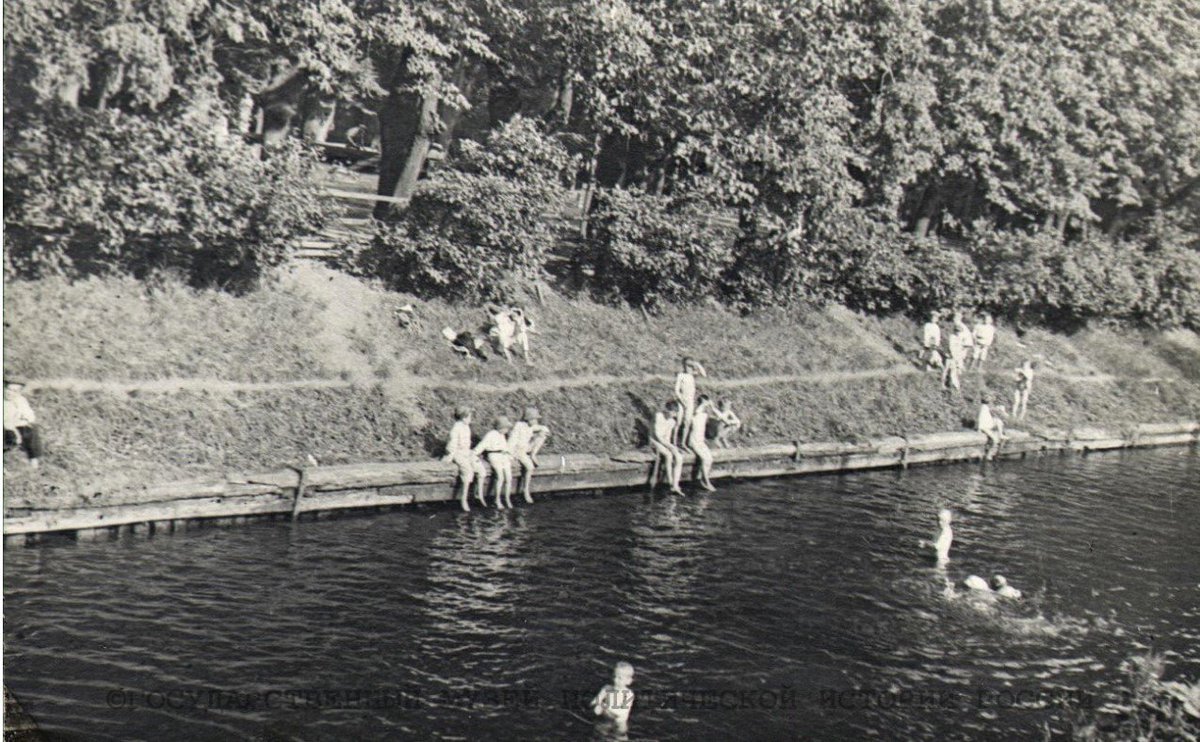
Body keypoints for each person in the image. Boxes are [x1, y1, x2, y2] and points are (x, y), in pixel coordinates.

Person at [441, 406, 486, 511]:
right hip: (458, 452)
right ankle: (463, 499)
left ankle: (478, 494)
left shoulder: (467, 427)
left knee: (481, 470)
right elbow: (452, 445)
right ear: (463, 417)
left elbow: (467, 444)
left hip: (466, 452)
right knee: (468, 471)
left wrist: (471, 453)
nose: (470, 419)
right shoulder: (456, 428)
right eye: (469, 417)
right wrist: (449, 456)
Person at [509, 406, 551, 504]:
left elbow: (544, 428)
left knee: (542, 434)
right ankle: (525, 490)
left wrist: (542, 432)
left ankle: (533, 454)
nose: (536, 421)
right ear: (529, 419)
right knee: (530, 467)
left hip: (526, 448)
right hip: (518, 451)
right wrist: (510, 455)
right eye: (534, 419)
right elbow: (511, 442)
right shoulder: (518, 426)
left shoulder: (531, 426)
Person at [474, 416, 514, 509]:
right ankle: (497, 499)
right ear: (500, 427)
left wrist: (509, 454)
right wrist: (475, 453)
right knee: (500, 477)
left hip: (503, 456)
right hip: (494, 455)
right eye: (506, 428)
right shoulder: (491, 434)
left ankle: (507, 498)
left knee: (509, 477)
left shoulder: (502, 435)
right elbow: (482, 445)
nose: (507, 430)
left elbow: (505, 447)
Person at [3, 379, 41, 468]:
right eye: (9, 389)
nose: (11, 393)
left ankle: (33, 459)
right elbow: (6, 422)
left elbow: (30, 417)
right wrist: (17, 434)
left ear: (19, 392)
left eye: (15, 391)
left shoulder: (20, 400)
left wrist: (23, 419)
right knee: (10, 434)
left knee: (31, 428)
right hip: (6, 427)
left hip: (12, 425)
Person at [651, 401, 685, 495]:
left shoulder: (672, 421)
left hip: (664, 442)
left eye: (675, 413)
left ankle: (675, 484)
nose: (674, 415)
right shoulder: (658, 416)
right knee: (668, 455)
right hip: (654, 440)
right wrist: (670, 447)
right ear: (667, 410)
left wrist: (671, 446)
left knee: (679, 457)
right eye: (673, 412)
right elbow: (657, 435)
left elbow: (667, 437)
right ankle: (670, 483)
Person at [592, 661, 635, 732]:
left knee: (620, 735)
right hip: (605, 719)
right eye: (614, 676)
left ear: (629, 681)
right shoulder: (606, 688)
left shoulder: (628, 694)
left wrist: (604, 707)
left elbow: (621, 712)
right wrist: (596, 705)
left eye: (619, 678)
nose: (615, 680)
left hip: (619, 723)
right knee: (599, 732)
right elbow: (595, 701)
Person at [673, 357, 706, 447]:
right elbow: (676, 390)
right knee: (679, 421)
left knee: (687, 422)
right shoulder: (680, 375)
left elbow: (704, 374)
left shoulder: (692, 375)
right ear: (683, 366)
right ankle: (674, 442)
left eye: (690, 366)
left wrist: (697, 364)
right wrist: (682, 401)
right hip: (681, 401)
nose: (688, 368)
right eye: (686, 366)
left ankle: (683, 443)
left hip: (690, 401)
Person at [689, 395, 718, 491]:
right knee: (705, 459)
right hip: (694, 441)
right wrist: (704, 403)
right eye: (703, 404)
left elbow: (719, 416)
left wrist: (712, 406)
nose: (705, 406)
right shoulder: (695, 413)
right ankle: (706, 481)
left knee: (710, 459)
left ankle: (702, 479)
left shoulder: (705, 415)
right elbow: (697, 411)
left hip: (701, 441)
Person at [942, 327, 966, 391]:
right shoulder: (952, 337)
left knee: (954, 372)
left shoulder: (960, 338)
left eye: (959, 331)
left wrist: (959, 358)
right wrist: (954, 357)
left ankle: (955, 386)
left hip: (956, 357)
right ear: (954, 331)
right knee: (946, 370)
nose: (958, 333)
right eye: (957, 331)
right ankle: (942, 384)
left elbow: (960, 348)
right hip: (950, 356)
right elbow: (951, 347)